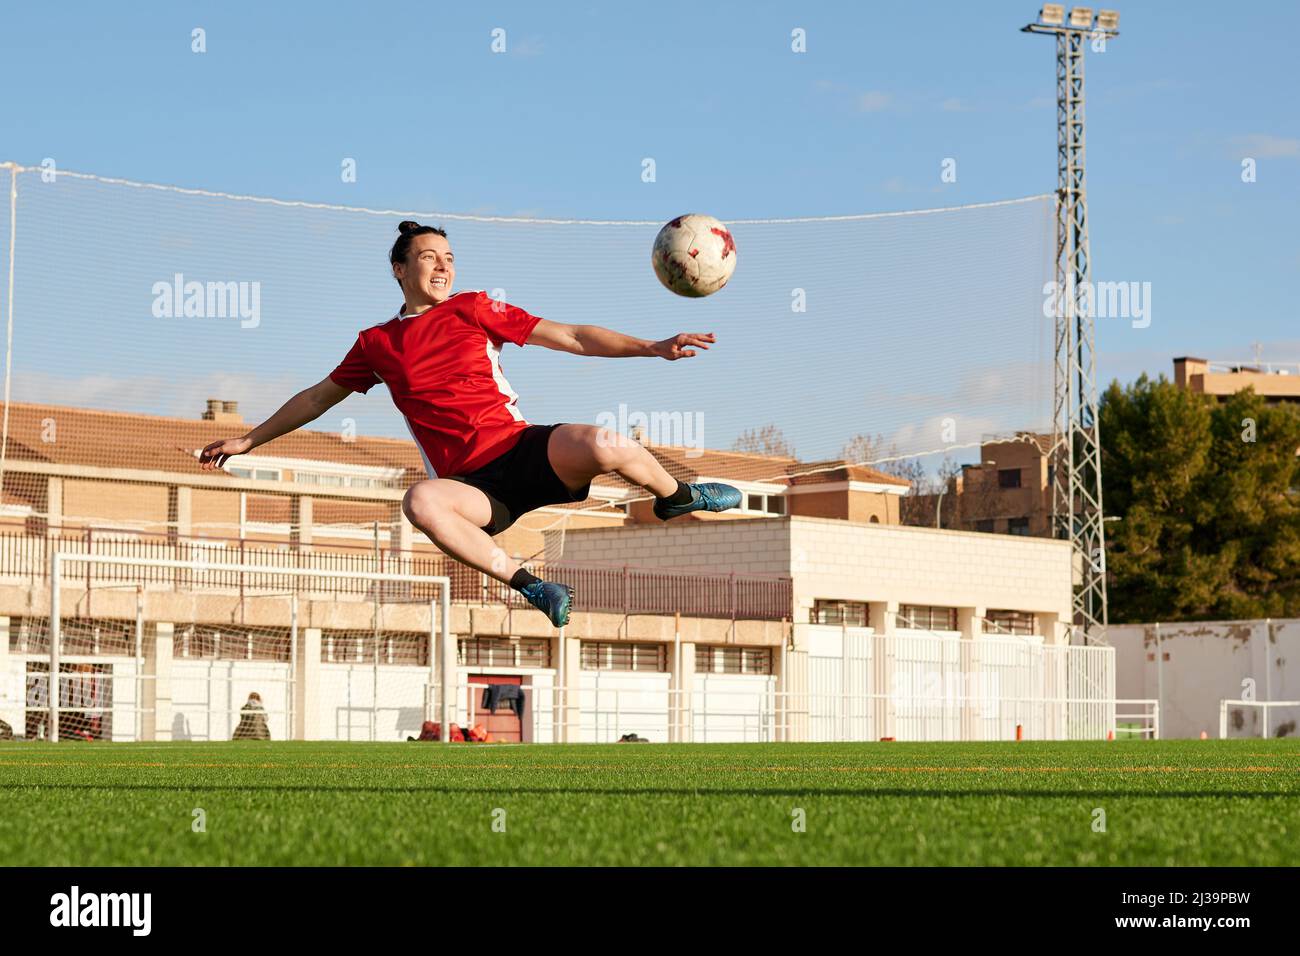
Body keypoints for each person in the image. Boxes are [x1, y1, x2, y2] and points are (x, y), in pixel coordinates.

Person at [198, 221, 742, 627]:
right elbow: (317, 398)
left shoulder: (474, 308)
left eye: (449, 257)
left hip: (523, 449)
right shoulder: (377, 344)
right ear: (399, 270)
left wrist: (654, 347)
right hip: (474, 489)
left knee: (604, 442)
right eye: (429, 257)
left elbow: (573, 336)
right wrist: (248, 439)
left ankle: (676, 496)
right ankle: (532, 586)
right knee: (420, 502)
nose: (443, 266)